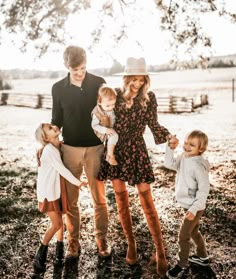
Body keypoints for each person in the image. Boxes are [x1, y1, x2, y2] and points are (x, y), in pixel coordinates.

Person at [97, 57, 179, 278]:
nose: (138, 84)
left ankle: (160, 252)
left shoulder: (149, 98)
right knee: (122, 200)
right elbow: (100, 115)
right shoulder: (114, 94)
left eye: (141, 80)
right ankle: (131, 244)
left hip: (137, 150)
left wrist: (169, 137)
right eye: (134, 80)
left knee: (147, 200)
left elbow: (153, 125)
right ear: (126, 78)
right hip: (116, 150)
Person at [50, 46, 111, 258]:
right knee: (71, 200)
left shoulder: (98, 82)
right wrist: (48, 144)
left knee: (99, 198)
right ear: (67, 67)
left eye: (83, 68)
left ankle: (101, 239)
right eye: (75, 70)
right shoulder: (58, 88)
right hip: (69, 149)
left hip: (96, 148)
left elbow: (109, 112)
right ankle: (73, 242)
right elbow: (56, 119)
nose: (80, 73)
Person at [34, 123, 87, 273]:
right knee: (56, 224)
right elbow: (62, 170)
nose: (53, 127)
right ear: (46, 138)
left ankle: (59, 253)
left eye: (52, 125)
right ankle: (41, 253)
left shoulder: (56, 146)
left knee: (60, 221)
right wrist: (79, 183)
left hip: (55, 190)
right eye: (49, 129)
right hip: (47, 194)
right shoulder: (50, 151)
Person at [164, 130, 210, 279]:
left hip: (195, 207)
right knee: (193, 231)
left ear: (201, 149)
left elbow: (203, 191)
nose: (187, 146)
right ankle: (203, 257)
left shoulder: (199, 166)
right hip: (188, 205)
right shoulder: (184, 157)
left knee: (183, 235)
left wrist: (194, 209)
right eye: (186, 142)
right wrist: (170, 148)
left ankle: (181, 265)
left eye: (192, 145)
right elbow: (169, 164)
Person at [91, 84, 118, 165]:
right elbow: (94, 126)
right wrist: (106, 130)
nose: (111, 107)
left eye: (113, 104)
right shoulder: (97, 113)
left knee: (113, 138)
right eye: (108, 106)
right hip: (102, 131)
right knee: (114, 136)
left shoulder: (109, 107)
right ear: (99, 102)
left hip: (110, 127)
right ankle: (110, 156)